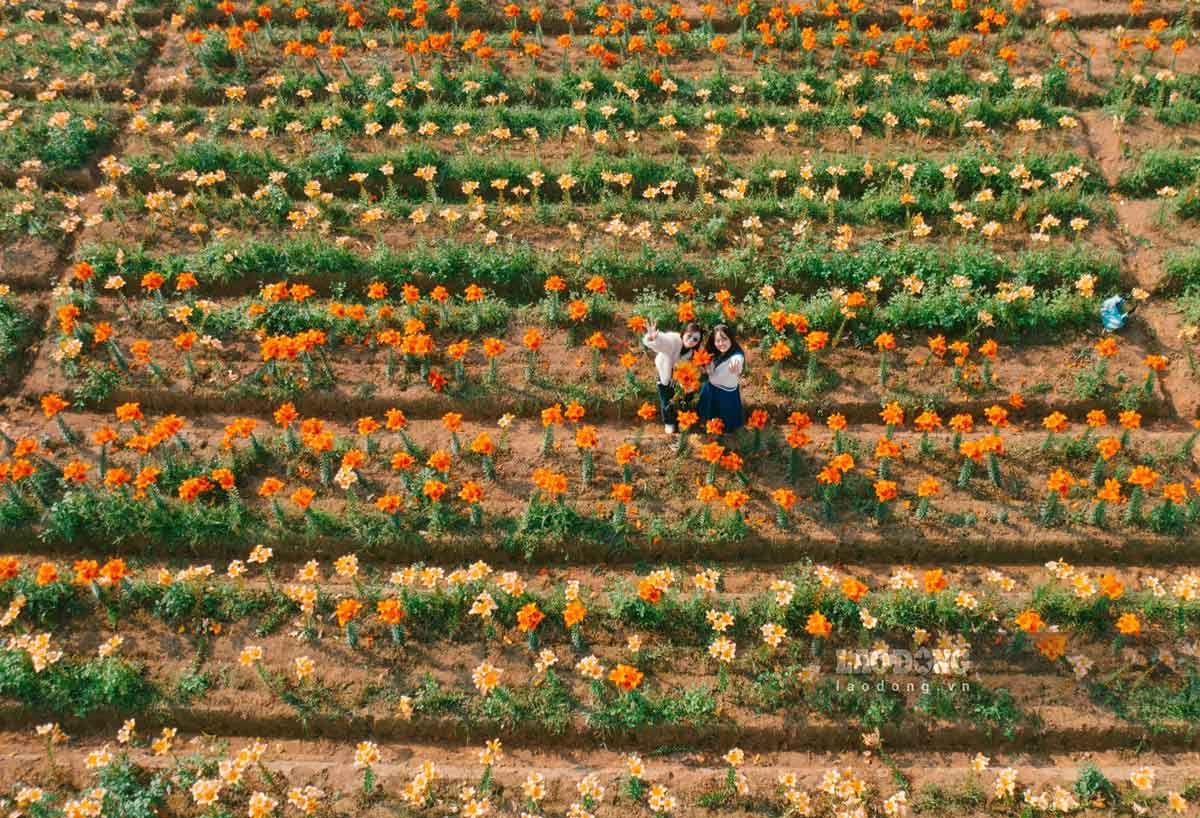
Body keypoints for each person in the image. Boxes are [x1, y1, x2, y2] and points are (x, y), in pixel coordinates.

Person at [643, 320, 703, 434]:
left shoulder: (694, 352)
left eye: (695, 339)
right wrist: (654, 339)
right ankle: (669, 422)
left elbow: (695, 369)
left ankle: (683, 421)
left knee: (686, 399)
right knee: (666, 399)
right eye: (689, 336)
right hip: (666, 373)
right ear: (683, 333)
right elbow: (663, 342)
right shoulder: (674, 341)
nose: (691, 340)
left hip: (682, 378)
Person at [697, 324, 746, 434]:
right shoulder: (713, 351)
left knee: (726, 418)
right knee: (709, 413)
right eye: (717, 341)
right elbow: (706, 366)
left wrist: (736, 367)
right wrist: (706, 369)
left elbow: (737, 361)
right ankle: (709, 426)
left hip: (726, 392)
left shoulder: (737, 354)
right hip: (711, 388)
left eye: (724, 339)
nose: (721, 343)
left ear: (731, 339)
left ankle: (726, 432)